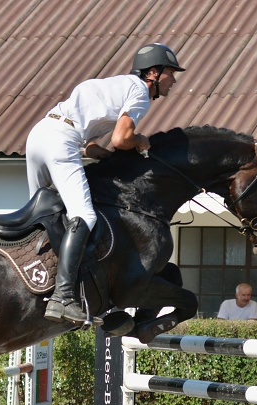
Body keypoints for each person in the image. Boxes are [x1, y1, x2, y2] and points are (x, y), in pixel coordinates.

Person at [26, 43, 185, 325]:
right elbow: (121, 139)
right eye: (170, 73)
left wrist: (99, 153)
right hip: (62, 141)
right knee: (84, 216)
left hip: (40, 135)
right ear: (153, 73)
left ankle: (35, 278)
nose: (173, 80)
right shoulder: (140, 92)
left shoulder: (112, 86)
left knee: (42, 215)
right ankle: (63, 297)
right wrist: (141, 140)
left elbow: (89, 142)